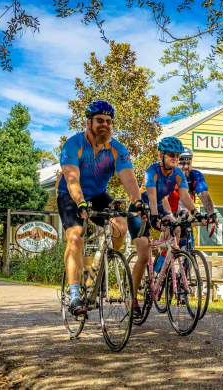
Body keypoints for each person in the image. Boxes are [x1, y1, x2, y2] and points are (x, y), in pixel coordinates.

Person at [56, 100, 148, 316]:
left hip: (97, 194)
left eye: (108, 121)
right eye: (99, 120)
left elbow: (128, 178)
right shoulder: (74, 144)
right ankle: (75, 294)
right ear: (88, 122)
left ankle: (101, 266)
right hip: (70, 195)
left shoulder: (117, 149)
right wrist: (80, 202)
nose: (104, 125)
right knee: (76, 236)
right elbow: (71, 178)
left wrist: (136, 201)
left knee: (121, 226)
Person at [130, 136, 203, 317]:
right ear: (161, 155)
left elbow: (185, 197)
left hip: (160, 206)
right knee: (145, 253)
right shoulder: (152, 171)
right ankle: (132, 300)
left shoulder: (177, 173)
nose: (175, 159)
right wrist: (155, 216)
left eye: (177, 156)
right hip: (140, 210)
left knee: (177, 228)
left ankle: (166, 264)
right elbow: (153, 197)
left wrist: (196, 213)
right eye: (171, 155)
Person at [167, 148, 217, 248]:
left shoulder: (195, 175)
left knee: (189, 248)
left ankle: (189, 262)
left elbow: (203, 194)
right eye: (182, 163)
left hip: (186, 216)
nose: (186, 166)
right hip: (170, 214)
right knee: (168, 251)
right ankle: (161, 262)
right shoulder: (170, 175)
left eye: (188, 163)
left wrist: (211, 214)